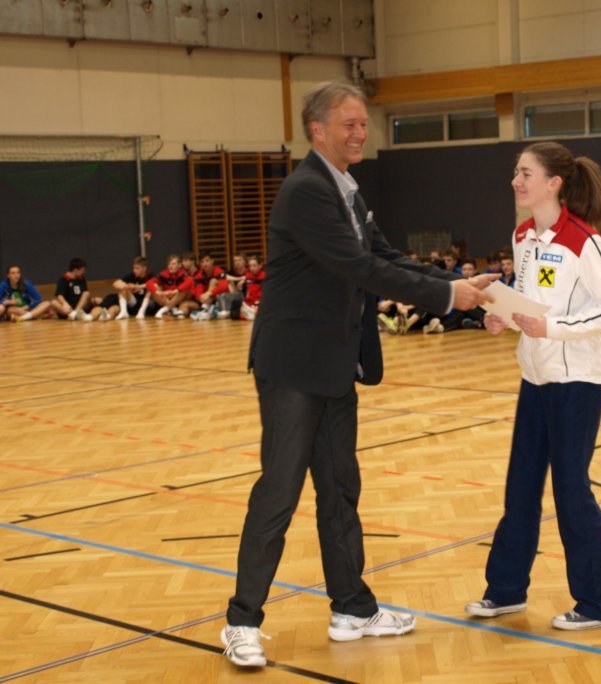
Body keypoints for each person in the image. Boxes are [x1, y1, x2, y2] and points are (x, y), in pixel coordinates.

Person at [222, 81, 496, 668]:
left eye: (363, 124)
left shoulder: (347, 190)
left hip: (334, 365)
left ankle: (352, 607)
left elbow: (385, 257)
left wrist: (458, 284)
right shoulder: (305, 191)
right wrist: (448, 296)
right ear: (317, 129)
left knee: (340, 489)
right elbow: (356, 266)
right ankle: (242, 620)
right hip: (293, 367)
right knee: (279, 492)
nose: (360, 133)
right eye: (348, 124)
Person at [465, 141, 601, 631]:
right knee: (520, 486)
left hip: (577, 380)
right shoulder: (522, 236)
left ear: (554, 183)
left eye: (526, 173)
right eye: (516, 173)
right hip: (534, 377)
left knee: (571, 490)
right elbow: (530, 300)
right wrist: (503, 317)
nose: (516, 181)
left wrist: (553, 328)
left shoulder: (585, 241)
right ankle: (506, 590)